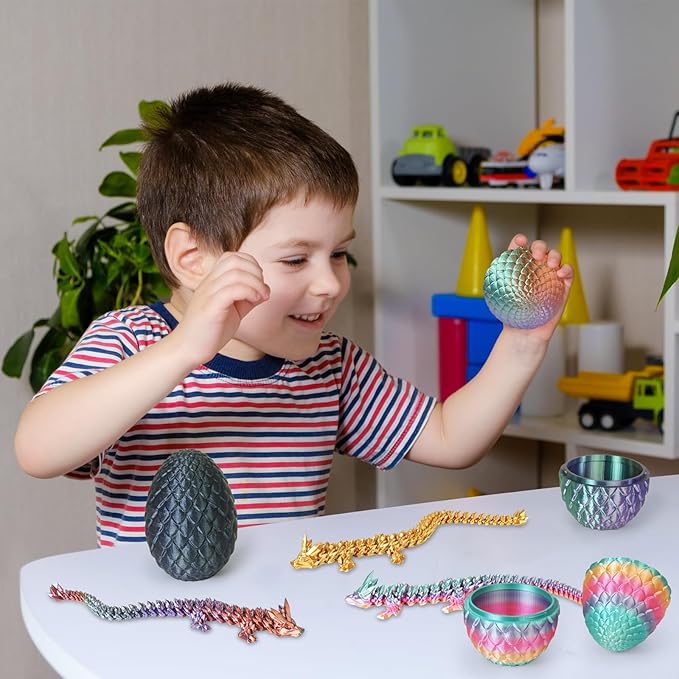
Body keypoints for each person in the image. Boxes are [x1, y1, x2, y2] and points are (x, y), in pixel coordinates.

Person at [14, 83, 573, 546]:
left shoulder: (329, 366)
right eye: (295, 259)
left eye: (339, 253)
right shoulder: (130, 343)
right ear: (193, 258)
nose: (330, 283)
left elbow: (452, 439)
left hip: (284, 624)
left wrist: (521, 343)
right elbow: (37, 450)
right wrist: (184, 350)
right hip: (151, 631)